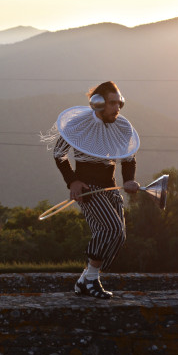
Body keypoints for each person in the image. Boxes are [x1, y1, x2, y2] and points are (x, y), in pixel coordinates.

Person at [42, 81, 140, 299]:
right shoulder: (79, 125)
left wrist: (130, 180)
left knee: (118, 236)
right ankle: (91, 280)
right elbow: (59, 153)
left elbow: (129, 158)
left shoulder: (122, 126)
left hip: (111, 186)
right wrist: (73, 182)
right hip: (88, 188)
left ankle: (85, 281)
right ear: (98, 103)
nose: (117, 108)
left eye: (119, 103)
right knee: (111, 229)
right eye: (112, 103)